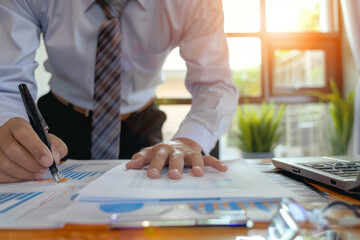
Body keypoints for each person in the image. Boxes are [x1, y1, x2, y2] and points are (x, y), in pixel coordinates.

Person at [0, 0, 238, 183]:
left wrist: (188, 140)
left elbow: (214, 83)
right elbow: (6, 79)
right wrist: (8, 125)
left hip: (141, 126)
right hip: (57, 125)